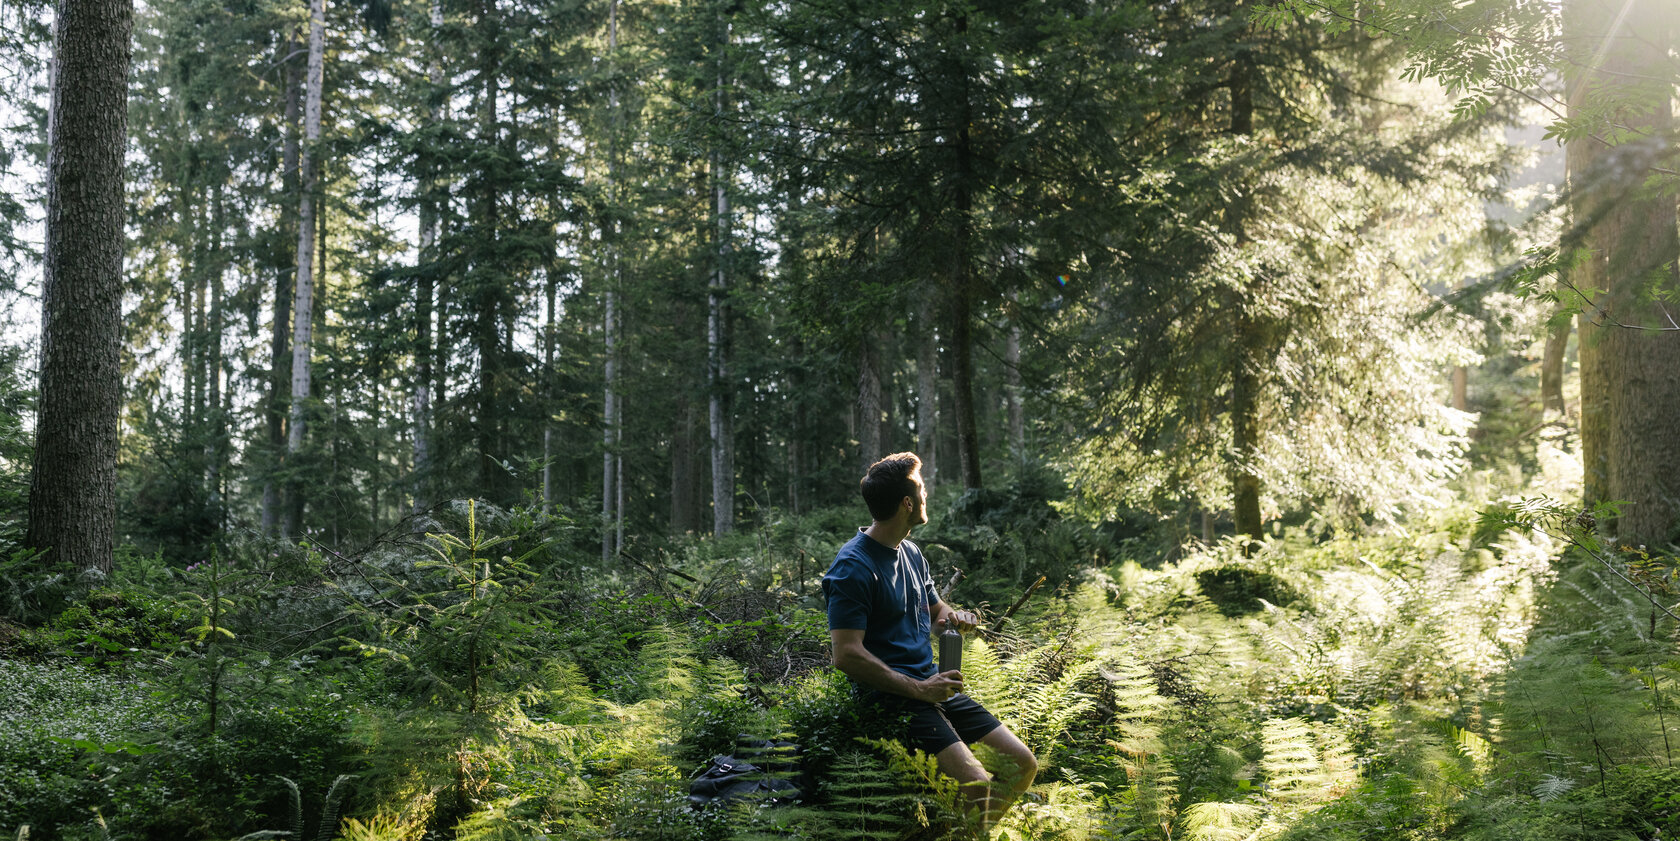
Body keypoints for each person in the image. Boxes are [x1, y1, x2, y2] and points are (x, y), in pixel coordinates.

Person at [822, 452, 1038, 835]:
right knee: (977, 787)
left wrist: (956, 618)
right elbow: (846, 654)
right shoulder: (852, 567)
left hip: (933, 688)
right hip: (893, 699)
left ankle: (970, 834)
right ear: (907, 503)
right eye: (921, 489)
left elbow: (937, 612)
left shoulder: (911, 552)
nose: (926, 495)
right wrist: (920, 689)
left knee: (1022, 764)